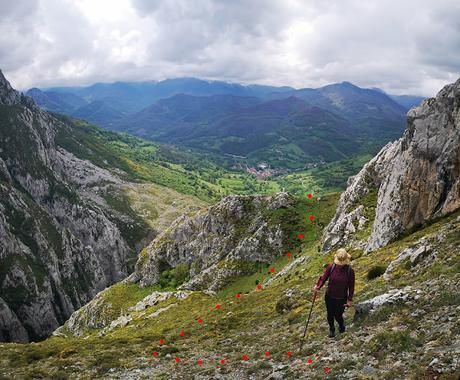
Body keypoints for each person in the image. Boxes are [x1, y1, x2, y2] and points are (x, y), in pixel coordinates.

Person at [313, 248, 355, 338]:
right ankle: (331, 329)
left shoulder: (350, 271)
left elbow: (351, 286)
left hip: (341, 298)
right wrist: (318, 286)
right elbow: (323, 278)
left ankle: (341, 325)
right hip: (329, 296)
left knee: (338, 315)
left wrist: (349, 300)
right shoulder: (331, 267)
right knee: (330, 314)